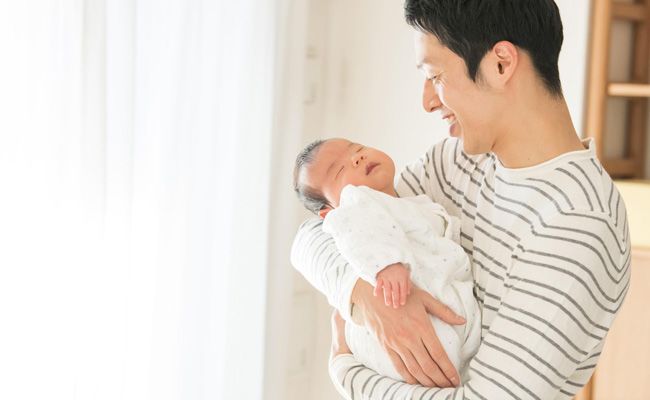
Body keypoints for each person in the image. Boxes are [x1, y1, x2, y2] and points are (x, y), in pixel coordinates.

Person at [291, 0, 631, 398]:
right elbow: (319, 231)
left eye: (435, 76)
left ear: (501, 64)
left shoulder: (578, 225)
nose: (428, 101)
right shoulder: (454, 162)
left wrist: (345, 368)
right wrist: (364, 295)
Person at [292, 138, 482, 384]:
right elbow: (350, 227)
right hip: (395, 315)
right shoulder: (355, 207)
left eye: (357, 149)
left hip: (447, 311)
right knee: (435, 362)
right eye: (339, 170)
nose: (357, 158)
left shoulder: (412, 202)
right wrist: (385, 264)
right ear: (330, 211)